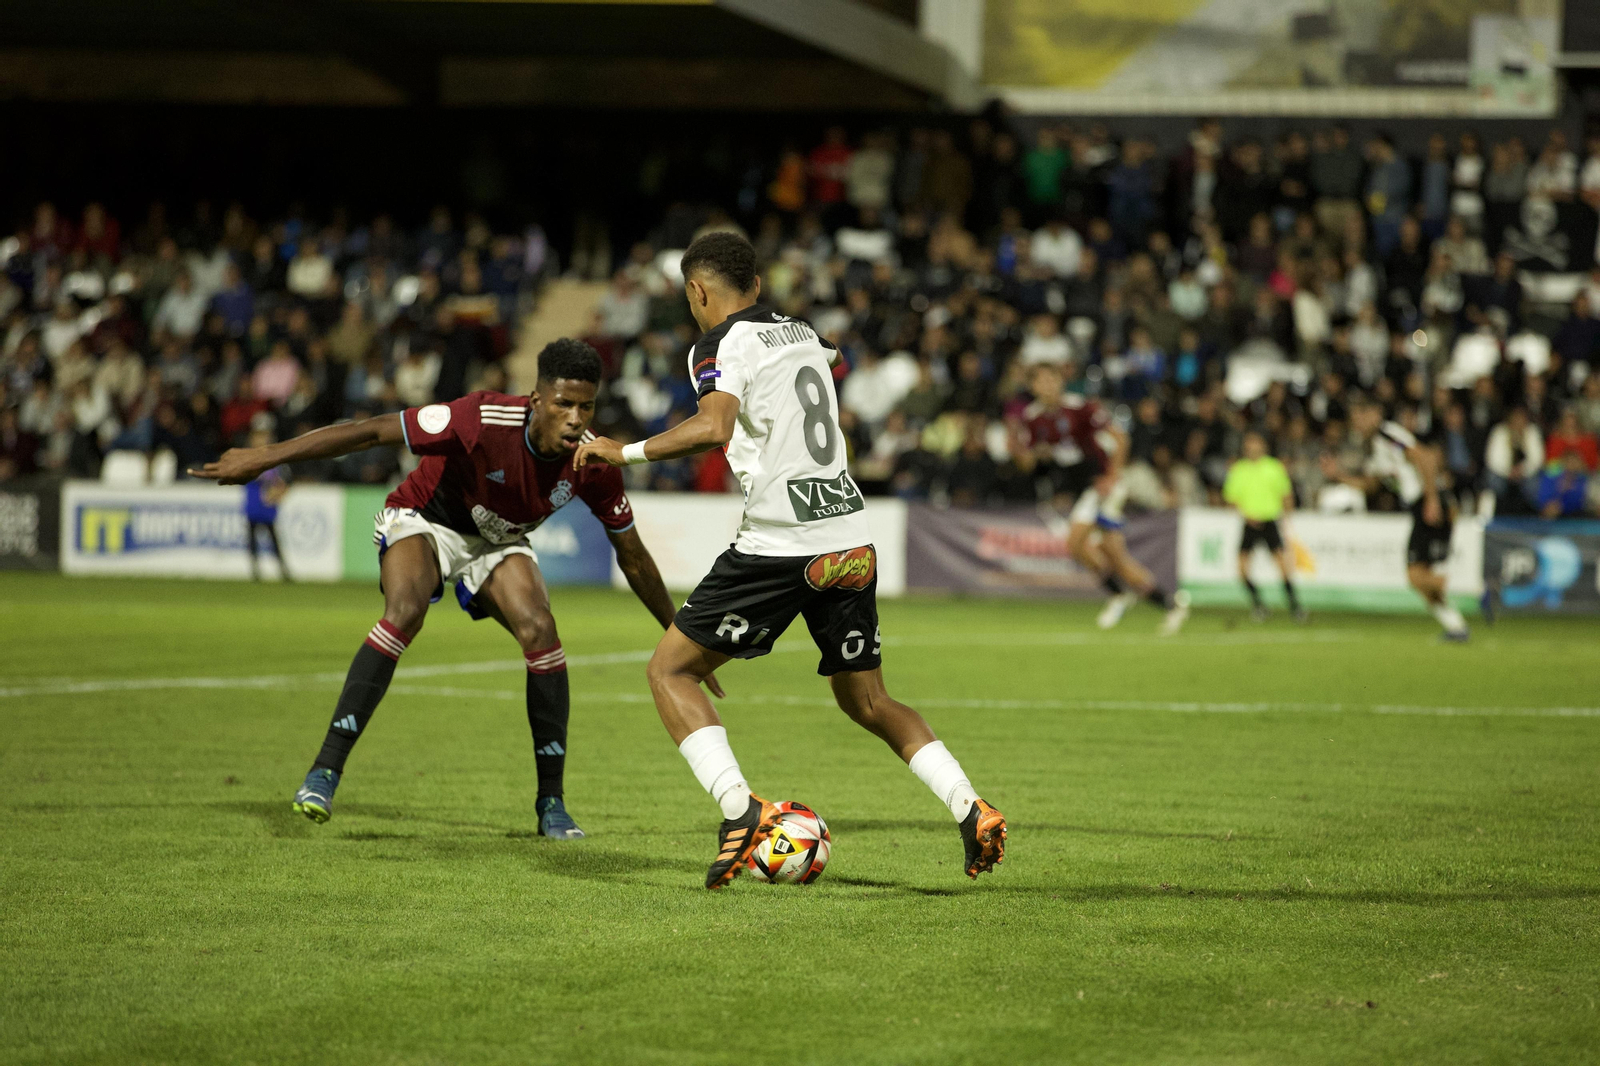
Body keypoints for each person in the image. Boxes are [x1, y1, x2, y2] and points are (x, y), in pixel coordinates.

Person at [574, 231, 1006, 890]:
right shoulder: (802, 331)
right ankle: (971, 807)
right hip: (850, 537)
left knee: (670, 672)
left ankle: (739, 811)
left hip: (783, 541)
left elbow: (714, 427)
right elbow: (815, 369)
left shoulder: (716, 344)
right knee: (867, 700)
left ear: (697, 291)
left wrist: (620, 451)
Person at [189, 340, 709, 838]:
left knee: (541, 632)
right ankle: (324, 772)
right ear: (536, 401)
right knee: (406, 611)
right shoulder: (478, 419)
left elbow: (632, 553)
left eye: (586, 407)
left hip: (498, 541)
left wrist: (676, 633)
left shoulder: (595, 460)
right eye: (563, 404)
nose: (576, 419)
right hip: (424, 520)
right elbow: (371, 433)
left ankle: (551, 803)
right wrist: (264, 458)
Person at [1016, 364, 1189, 634]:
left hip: (1102, 486)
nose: (1049, 385)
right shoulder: (1033, 418)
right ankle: (1170, 604)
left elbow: (1120, 439)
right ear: (1033, 387)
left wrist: (1111, 476)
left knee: (1075, 542)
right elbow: (1030, 462)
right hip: (1083, 489)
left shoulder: (1081, 408)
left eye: (1053, 379)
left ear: (1061, 381)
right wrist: (1024, 452)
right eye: (1042, 381)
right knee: (1116, 558)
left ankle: (1118, 594)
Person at [1321, 398, 1470, 641]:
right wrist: (1337, 475)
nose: (1356, 423)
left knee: (1416, 576)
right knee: (1420, 576)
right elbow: (1370, 486)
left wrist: (1432, 498)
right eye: (1354, 418)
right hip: (1421, 506)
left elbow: (1425, 457)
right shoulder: (1374, 448)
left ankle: (1477, 589)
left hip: (1429, 502)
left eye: (1361, 415)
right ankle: (1456, 627)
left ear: (1375, 413)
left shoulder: (1388, 435)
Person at [1223, 429, 1305, 622]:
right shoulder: (1238, 469)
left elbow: (1286, 495)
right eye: (1249, 443)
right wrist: (1245, 513)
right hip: (1249, 522)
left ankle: (1295, 607)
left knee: (1283, 565)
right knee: (1242, 568)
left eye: (1255, 442)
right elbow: (1230, 499)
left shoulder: (1274, 467)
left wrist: (1287, 517)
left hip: (1269, 521)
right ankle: (1259, 605)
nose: (1251, 447)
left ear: (1263, 445)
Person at [242, 424, 292, 582]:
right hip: (253, 504)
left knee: (273, 539)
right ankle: (255, 570)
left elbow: (284, 483)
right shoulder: (247, 457)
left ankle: (282, 569)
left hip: (267, 507)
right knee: (252, 540)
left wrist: (276, 494)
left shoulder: (275, 460)